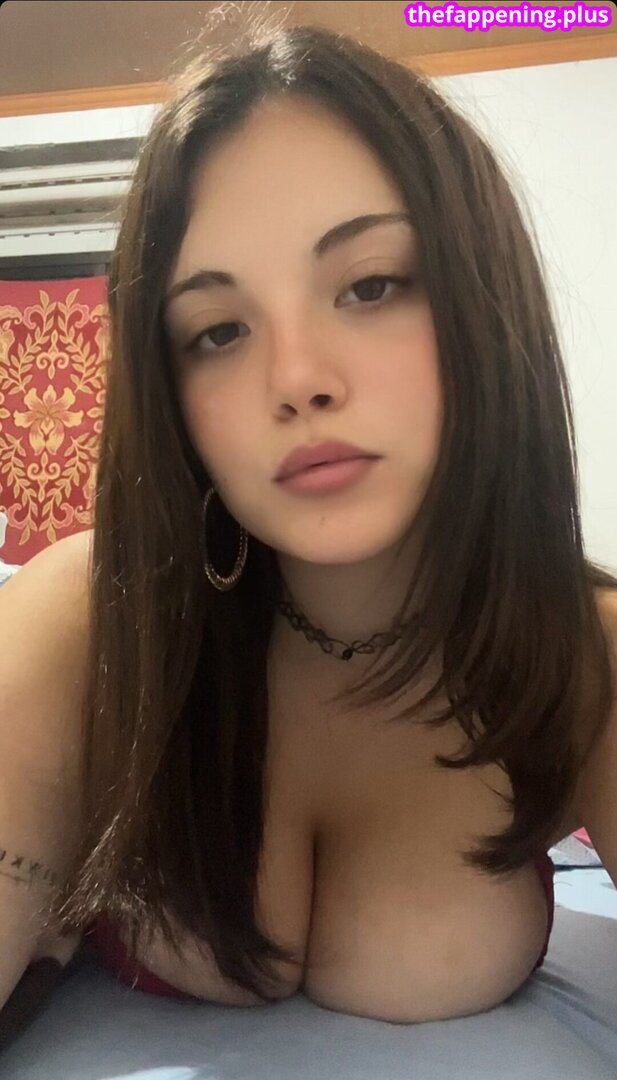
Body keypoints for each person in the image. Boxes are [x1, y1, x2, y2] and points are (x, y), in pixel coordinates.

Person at [1, 17, 616, 1039]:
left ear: (482, 301)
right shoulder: (90, 621)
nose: (295, 379)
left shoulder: (582, 656)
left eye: (370, 285)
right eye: (218, 331)